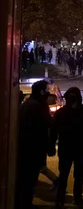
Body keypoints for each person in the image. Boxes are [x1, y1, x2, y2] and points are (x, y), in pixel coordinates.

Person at [50, 87, 83, 208]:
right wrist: (51, 146)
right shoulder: (63, 113)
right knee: (64, 175)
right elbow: (53, 131)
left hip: (78, 150)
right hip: (68, 149)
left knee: (77, 175)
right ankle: (61, 199)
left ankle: (75, 198)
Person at [16, 80, 52, 209]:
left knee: (25, 180)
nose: (48, 93)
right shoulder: (36, 107)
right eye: (46, 90)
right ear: (41, 92)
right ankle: (25, 204)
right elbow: (46, 125)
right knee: (29, 180)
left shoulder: (28, 104)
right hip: (32, 150)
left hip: (26, 149)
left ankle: (23, 203)